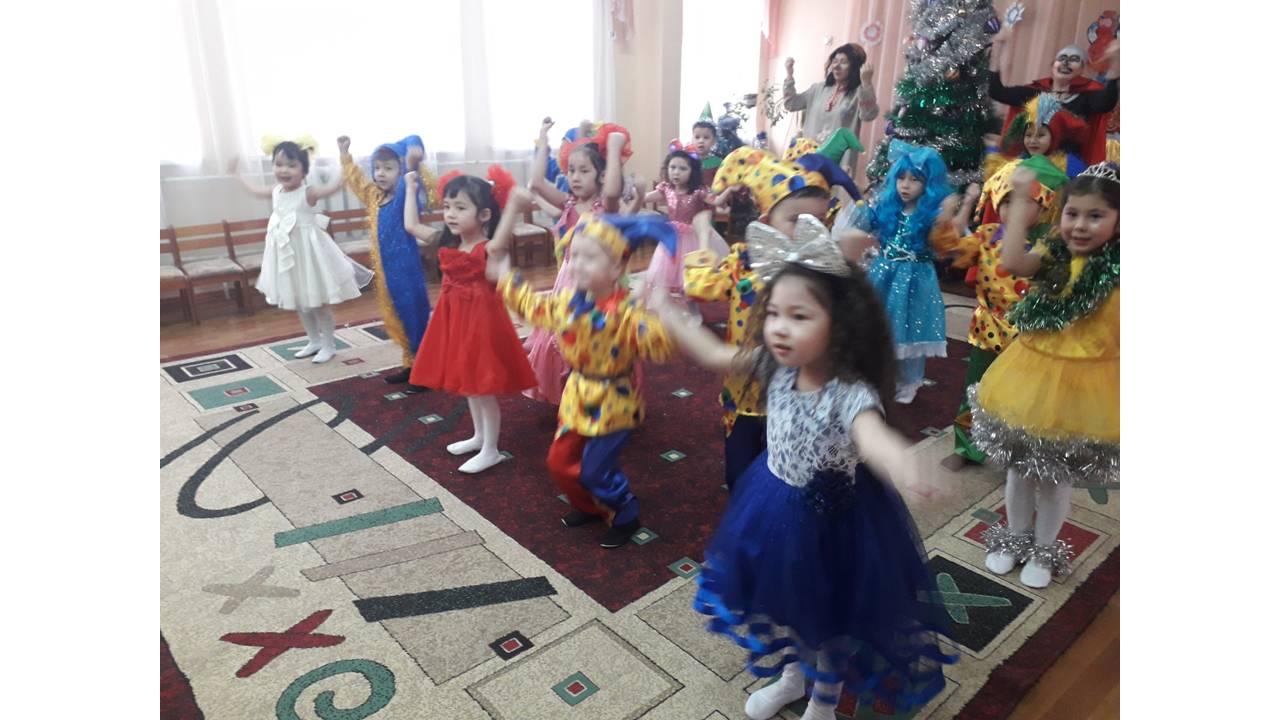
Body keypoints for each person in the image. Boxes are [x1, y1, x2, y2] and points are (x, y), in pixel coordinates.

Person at [655, 215, 955, 719]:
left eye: (799, 316)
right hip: (774, 505)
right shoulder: (774, 365)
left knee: (830, 617)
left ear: (839, 326)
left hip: (834, 521)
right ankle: (795, 675)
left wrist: (902, 463)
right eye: (773, 312)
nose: (779, 326)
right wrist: (670, 315)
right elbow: (715, 355)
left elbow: (873, 437)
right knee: (789, 604)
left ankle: (824, 700)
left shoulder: (849, 391)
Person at [969, 162, 1120, 588]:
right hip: (1031, 376)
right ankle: (1015, 536)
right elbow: (1012, 261)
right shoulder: (1054, 252)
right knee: (1020, 470)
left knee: (1056, 478)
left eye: (1096, 216)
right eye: (1073, 213)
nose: (1081, 225)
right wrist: (1020, 200)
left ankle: (1044, 547)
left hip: (1087, 389)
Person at [491, 209, 677, 548]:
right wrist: (505, 275)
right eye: (573, 255)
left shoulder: (625, 312)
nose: (577, 264)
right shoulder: (566, 302)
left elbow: (659, 347)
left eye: (589, 257)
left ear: (617, 268)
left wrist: (657, 316)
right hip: (577, 396)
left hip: (614, 402)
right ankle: (590, 506)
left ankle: (625, 513)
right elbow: (532, 307)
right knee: (558, 462)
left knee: (595, 469)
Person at [684, 146, 858, 490]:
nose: (809, 231)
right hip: (746, 390)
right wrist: (703, 239)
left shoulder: (821, 272)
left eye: (819, 222)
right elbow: (699, 285)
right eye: (796, 220)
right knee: (740, 475)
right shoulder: (743, 262)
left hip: (799, 397)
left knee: (792, 477)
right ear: (766, 222)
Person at [404, 166, 537, 473]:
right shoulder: (446, 241)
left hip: (481, 324)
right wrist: (410, 188)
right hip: (454, 320)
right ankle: (479, 437)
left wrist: (513, 207)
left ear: (485, 215)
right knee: (468, 385)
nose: (451, 214)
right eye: (447, 207)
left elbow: (500, 246)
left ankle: (491, 449)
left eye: (461, 208)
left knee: (482, 388)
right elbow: (411, 225)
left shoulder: (489, 248)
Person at [230, 137, 372, 363]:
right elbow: (255, 190)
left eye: (291, 165)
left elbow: (335, 186)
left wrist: (344, 154)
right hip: (288, 257)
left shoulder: (308, 192)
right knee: (300, 302)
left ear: (304, 170)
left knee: (318, 302)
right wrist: (237, 175)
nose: (284, 170)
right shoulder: (276, 191)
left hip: (310, 257)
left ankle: (329, 344)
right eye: (278, 164)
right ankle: (314, 340)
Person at [844, 140, 962, 403]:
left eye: (915, 180)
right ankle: (873, 372)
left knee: (909, 327)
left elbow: (948, 247)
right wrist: (857, 197)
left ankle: (908, 380)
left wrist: (949, 213)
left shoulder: (931, 215)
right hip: (883, 275)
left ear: (929, 184)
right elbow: (859, 224)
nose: (905, 185)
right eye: (901, 178)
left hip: (916, 279)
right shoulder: (887, 208)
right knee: (878, 323)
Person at [523, 119, 630, 404]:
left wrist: (615, 148)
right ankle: (571, 390)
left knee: (596, 337)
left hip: (598, 284)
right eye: (571, 170)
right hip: (569, 281)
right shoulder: (567, 203)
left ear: (601, 175)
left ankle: (600, 390)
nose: (575, 177)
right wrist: (543, 140)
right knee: (564, 337)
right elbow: (537, 182)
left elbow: (612, 191)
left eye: (584, 171)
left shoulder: (606, 206)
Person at [338, 134, 436, 392]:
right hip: (386, 272)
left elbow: (411, 181)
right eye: (377, 168)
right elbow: (357, 181)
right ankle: (410, 363)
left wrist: (412, 164)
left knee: (414, 317)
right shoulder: (374, 196)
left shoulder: (404, 194)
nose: (380, 173)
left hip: (406, 272)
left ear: (400, 171)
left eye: (389, 168)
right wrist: (345, 154)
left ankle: (425, 372)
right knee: (398, 317)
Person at [989, 33, 1119, 165]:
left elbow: (1106, 102)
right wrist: (997, 51)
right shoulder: (1032, 93)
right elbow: (997, 92)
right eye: (1062, 58)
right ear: (1052, 66)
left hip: (1066, 168)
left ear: (1081, 70)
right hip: (1031, 164)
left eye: (1074, 59)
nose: (1065, 62)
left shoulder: (1084, 99)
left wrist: (1115, 63)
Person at [783, 43, 879, 175]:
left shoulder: (858, 93)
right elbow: (791, 104)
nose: (836, 66)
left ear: (854, 67)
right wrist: (789, 75)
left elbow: (868, 115)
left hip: (839, 163)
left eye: (843, 62)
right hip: (809, 159)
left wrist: (867, 83)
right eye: (834, 61)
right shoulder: (817, 89)